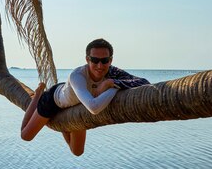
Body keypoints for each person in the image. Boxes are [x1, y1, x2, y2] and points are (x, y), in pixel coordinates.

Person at [20, 38, 150, 155]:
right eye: (94, 60)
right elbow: (93, 107)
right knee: (26, 136)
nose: (100, 65)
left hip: (77, 105)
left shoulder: (113, 73)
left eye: (104, 60)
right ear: (87, 59)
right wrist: (113, 88)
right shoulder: (77, 75)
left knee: (77, 152)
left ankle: (64, 128)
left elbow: (144, 82)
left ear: (110, 60)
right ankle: (37, 96)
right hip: (54, 100)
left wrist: (112, 83)